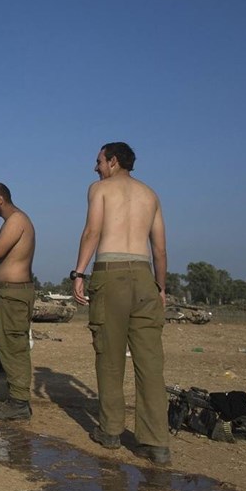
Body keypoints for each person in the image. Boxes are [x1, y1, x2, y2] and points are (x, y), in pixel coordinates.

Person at [72, 142, 171, 466]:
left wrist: (79, 272)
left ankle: (111, 432)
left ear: (113, 162)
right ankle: (156, 442)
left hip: (110, 274)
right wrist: (161, 288)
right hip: (144, 277)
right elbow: (159, 249)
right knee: (150, 365)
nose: (95, 167)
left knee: (110, 358)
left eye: (99, 161)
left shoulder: (100, 189)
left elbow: (93, 231)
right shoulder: (151, 194)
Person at [0, 182, 36, 421]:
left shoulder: (15, 220)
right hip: (8, 293)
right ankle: (16, 398)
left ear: (0, 199)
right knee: (8, 347)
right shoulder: (12, 221)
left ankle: (20, 402)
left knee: (14, 347)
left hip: (14, 293)